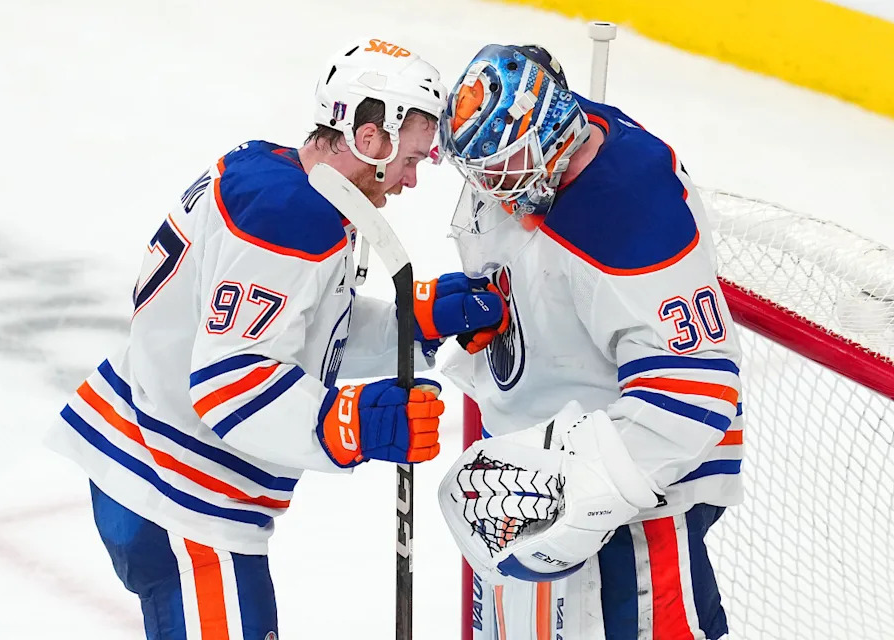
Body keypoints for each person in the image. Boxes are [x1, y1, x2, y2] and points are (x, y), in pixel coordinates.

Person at [46, 39, 507, 639]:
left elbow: (300, 335)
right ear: (373, 139)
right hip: (182, 494)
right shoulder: (290, 218)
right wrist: (353, 423)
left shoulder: (277, 175)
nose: (413, 179)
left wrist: (409, 323)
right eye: (413, 158)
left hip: (142, 454)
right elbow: (230, 383)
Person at [436, 44, 743, 640]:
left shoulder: (633, 217)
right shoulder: (535, 148)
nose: (493, 189)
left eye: (503, 169)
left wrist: (572, 492)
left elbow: (694, 393)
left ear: (552, 135)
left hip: (639, 501)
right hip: (536, 468)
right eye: (481, 173)